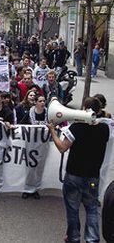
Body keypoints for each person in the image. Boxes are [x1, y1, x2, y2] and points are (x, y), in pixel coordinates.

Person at [47, 97, 110, 243]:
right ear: (99, 110)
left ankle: (74, 238)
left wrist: (52, 131)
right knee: (92, 208)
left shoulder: (75, 128)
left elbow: (62, 148)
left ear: (84, 109)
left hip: (74, 176)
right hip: (92, 177)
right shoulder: (104, 128)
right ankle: (92, 239)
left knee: (73, 208)